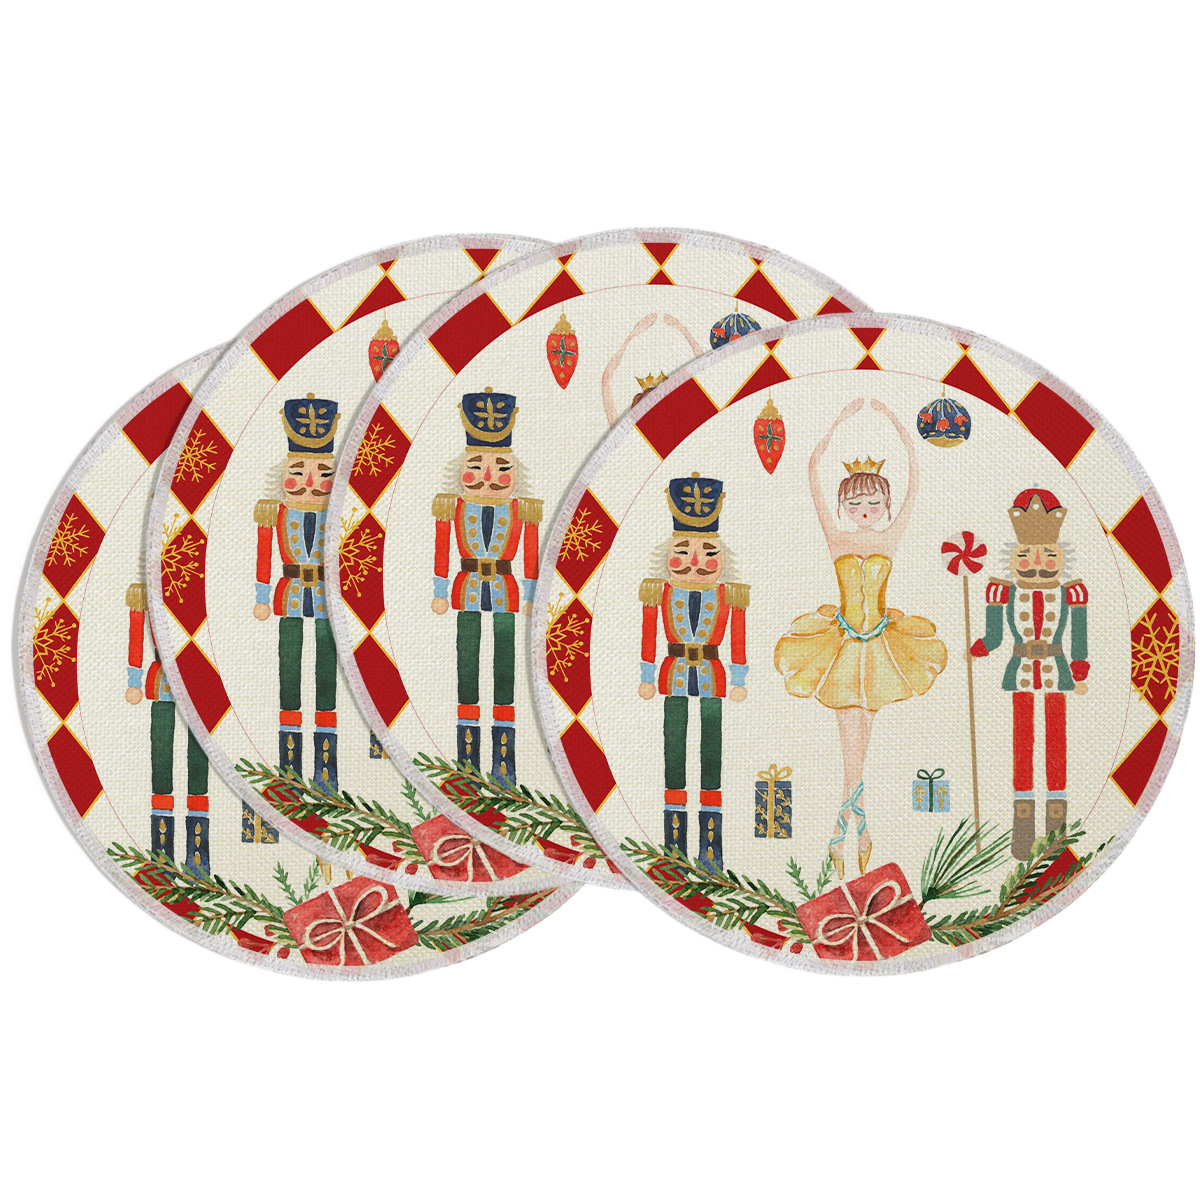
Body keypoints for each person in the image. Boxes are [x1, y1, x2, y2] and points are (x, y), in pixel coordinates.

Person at [775, 399, 947, 877]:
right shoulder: (838, 539)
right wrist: (834, 424)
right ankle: (857, 823)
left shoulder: (890, 538)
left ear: (886, 506)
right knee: (851, 734)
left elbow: (914, 483)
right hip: (844, 644)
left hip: (881, 644)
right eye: (855, 504)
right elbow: (813, 476)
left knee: (860, 736)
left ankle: (848, 822)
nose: (865, 512)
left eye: (873, 504)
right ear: (843, 506)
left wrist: (899, 427)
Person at [965, 488, 1089, 858]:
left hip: (1056, 670)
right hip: (1020, 671)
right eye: (1025, 554)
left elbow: (1079, 637)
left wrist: (1080, 670)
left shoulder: (1070, 594)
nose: (1036, 560)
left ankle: (1055, 830)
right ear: (1014, 557)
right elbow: (994, 636)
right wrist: (978, 648)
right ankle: (1023, 831)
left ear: (1060, 555)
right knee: (1022, 744)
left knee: (1056, 743)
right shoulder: (1004, 593)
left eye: (1048, 553)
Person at [639, 473, 749, 871]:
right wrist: (646, 676)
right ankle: (673, 843)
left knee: (711, 757)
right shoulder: (660, 591)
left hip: (713, 678)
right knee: (674, 753)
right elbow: (648, 635)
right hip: (672, 676)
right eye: (683, 551)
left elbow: (737, 639)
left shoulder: (729, 595)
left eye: (708, 553)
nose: (695, 563)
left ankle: (710, 847)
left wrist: (738, 680)